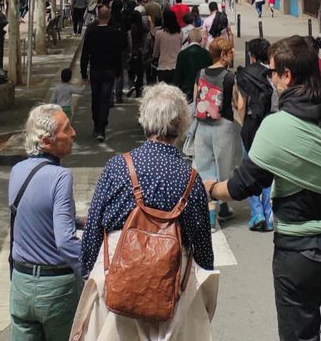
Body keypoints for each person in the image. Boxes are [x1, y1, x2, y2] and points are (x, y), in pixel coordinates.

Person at [204, 35, 321, 341]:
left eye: (272, 73)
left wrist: (211, 189)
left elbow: (242, 185)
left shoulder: (274, 128)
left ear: (287, 76)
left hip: (295, 252)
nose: (271, 79)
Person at [75, 83, 217, 341]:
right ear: (181, 125)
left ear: (145, 121)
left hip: (118, 284)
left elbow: (93, 233)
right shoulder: (190, 178)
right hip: (169, 288)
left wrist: (90, 275)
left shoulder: (117, 167)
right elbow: (204, 251)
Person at [8, 104, 81, 341]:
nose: (73, 133)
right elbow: (65, 241)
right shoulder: (61, 177)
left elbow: (36, 216)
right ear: (47, 141)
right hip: (56, 290)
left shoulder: (17, 170)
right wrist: (91, 269)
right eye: (66, 129)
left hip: (21, 284)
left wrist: (81, 221)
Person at [193, 37, 241, 224]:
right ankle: (223, 206)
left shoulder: (200, 73)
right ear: (223, 54)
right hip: (223, 125)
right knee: (223, 167)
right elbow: (236, 102)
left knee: (205, 167)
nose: (232, 55)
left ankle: (210, 215)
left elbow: (196, 99)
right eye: (230, 52)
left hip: (202, 125)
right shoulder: (229, 77)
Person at [233, 37, 274, 231]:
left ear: (252, 55)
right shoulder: (274, 74)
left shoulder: (244, 74)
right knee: (269, 169)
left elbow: (242, 105)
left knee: (249, 168)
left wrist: (243, 124)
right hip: (271, 124)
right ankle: (269, 213)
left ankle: (257, 213)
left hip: (251, 124)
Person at [80, 4, 124, 142]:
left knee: (96, 98)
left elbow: (85, 54)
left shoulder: (91, 33)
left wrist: (83, 73)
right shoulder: (115, 33)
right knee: (105, 99)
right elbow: (118, 55)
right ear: (109, 17)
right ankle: (102, 128)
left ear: (98, 17)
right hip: (109, 70)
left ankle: (96, 125)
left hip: (95, 69)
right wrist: (119, 71)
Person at [175, 26, 211, 101]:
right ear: (200, 39)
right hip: (202, 90)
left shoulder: (182, 54)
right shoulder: (207, 54)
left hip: (186, 91)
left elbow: (178, 75)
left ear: (188, 39)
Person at [152, 7, 182, 84]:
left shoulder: (159, 33)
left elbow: (156, 52)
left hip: (163, 66)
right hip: (176, 66)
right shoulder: (180, 33)